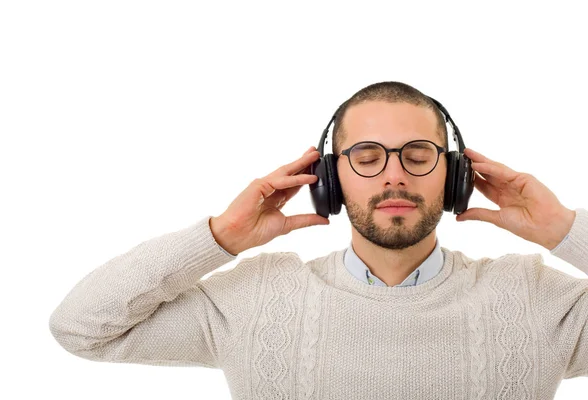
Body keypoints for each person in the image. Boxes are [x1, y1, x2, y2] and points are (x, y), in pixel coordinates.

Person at [49, 81, 588, 399]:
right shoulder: (255, 298)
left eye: (418, 156)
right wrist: (219, 238)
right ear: (329, 180)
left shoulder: (535, 298)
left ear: (455, 177)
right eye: (368, 157)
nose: (393, 176)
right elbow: (83, 328)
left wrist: (564, 230)